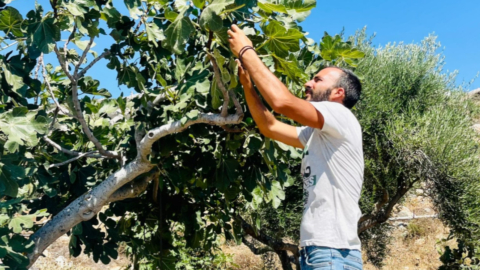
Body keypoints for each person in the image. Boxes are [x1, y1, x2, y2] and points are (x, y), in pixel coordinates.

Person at [227, 24, 365, 270]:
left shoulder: (339, 114)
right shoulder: (320, 134)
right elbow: (269, 126)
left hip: (330, 252)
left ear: (338, 93)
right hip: (324, 252)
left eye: (318, 79)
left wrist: (246, 50)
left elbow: (281, 102)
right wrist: (248, 86)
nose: (308, 83)